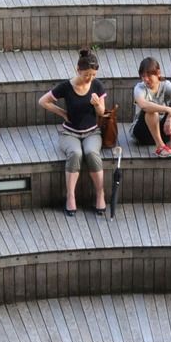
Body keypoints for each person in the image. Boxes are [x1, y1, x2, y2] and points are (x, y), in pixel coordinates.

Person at [38, 48, 107, 216]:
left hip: (92, 132)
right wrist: (62, 113)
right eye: (87, 75)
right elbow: (43, 101)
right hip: (70, 132)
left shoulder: (97, 85)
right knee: (75, 153)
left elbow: (102, 112)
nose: (90, 78)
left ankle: (100, 193)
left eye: (93, 75)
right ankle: (70, 196)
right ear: (78, 70)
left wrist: (97, 104)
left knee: (91, 152)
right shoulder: (66, 86)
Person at [130, 57, 171, 157]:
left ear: (158, 73)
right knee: (151, 110)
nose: (146, 79)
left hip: (164, 131)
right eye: (143, 76)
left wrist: (170, 117)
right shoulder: (139, 88)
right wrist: (167, 109)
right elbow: (143, 105)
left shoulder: (166, 85)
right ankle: (160, 146)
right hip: (143, 133)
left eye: (149, 75)